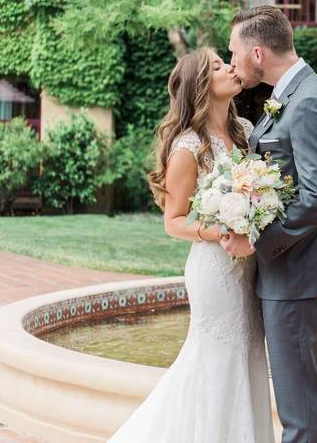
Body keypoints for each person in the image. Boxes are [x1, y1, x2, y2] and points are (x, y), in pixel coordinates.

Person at [107, 48, 274, 443]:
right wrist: (220, 231)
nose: (231, 67)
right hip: (215, 270)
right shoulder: (187, 148)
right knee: (218, 361)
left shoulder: (245, 133)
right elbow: (174, 221)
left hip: (248, 266)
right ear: (201, 86)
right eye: (217, 66)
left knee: (249, 357)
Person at [223, 5, 317, 443]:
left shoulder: (311, 102)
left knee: (299, 404)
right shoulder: (291, 95)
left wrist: (258, 240)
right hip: (289, 273)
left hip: (298, 272)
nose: (233, 61)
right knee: (303, 390)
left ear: (257, 52)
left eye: (234, 52)